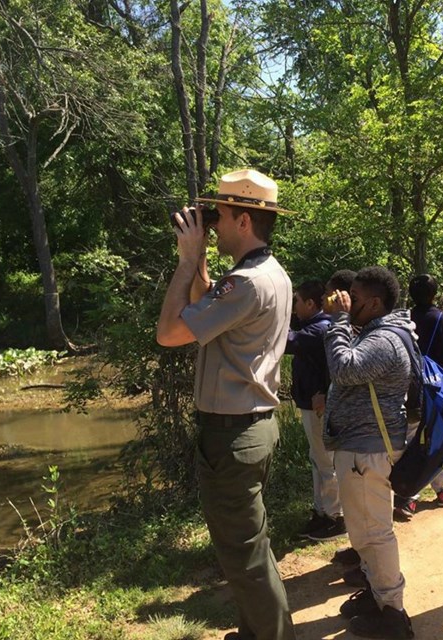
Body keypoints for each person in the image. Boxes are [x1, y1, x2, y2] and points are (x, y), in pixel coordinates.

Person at [157, 169, 296, 640]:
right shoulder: (265, 275)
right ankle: (256, 630)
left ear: (243, 221)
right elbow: (203, 302)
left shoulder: (247, 285)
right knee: (245, 547)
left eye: (219, 215)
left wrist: (185, 261)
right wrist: (197, 267)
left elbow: (170, 333)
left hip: (233, 434)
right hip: (249, 428)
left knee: (246, 554)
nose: (211, 224)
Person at [323, 266, 415, 639]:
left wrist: (339, 322)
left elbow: (344, 370)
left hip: (367, 450)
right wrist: (347, 319)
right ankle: (380, 597)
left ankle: (392, 614)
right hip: (365, 448)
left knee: (374, 533)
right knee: (365, 531)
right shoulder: (382, 331)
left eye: (355, 299)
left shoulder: (384, 340)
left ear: (375, 303)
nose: (348, 301)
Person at [395, 274, 443, 513]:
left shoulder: (404, 321)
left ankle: (408, 493)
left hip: (410, 392)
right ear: (435, 294)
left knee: (412, 441)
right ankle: (442, 490)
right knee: (442, 440)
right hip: (439, 390)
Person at [285, 280, 344, 541]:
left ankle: (335, 517)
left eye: (296, 301)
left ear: (310, 303)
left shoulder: (318, 329)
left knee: (325, 462)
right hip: (311, 405)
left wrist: (267, 317)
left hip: (318, 407)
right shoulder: (314, 326)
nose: (294, 308)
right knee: (317, 460)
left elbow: (286, 342)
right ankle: (322, 512)